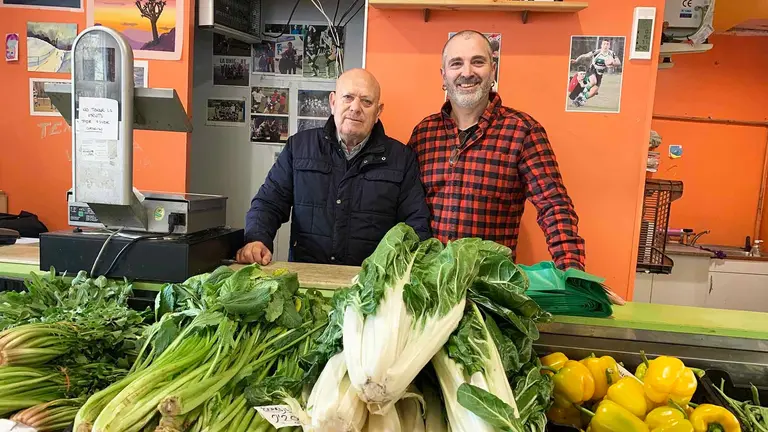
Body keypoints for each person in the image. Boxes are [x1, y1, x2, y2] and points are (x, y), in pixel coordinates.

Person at [408, 30, 586, 270]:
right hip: (428, 284)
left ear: (493, 70)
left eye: (478, 62)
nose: (467, 72)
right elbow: (403, 205)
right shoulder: (424, 134)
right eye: (456, 63)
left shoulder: (523, 131)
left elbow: (553, 205)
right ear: (443, 76)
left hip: (490, 290)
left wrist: (571, 271)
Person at [238, 68, 431, 266]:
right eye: (348, 97)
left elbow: (415, 223)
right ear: (332, 102)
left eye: (366, 101)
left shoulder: (401, 158)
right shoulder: (299, 148)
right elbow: (268, 203)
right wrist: (257, 238)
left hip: (372, 286)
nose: (355, 108)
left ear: (378, 112)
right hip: (307, 278)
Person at [569, 39, 621, 107]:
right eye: (604, 44)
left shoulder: (611, 54)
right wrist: (576, 60)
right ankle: (581, 95)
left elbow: (618, 62)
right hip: (592, 70)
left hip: (600, 74)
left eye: (607, 44)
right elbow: (585, 55)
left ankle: (580, 100)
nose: (605, 45)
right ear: (601, 45)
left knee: (594, 92)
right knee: (593, 81)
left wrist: (613, 63)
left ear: (609, 46)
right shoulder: (597, 52)